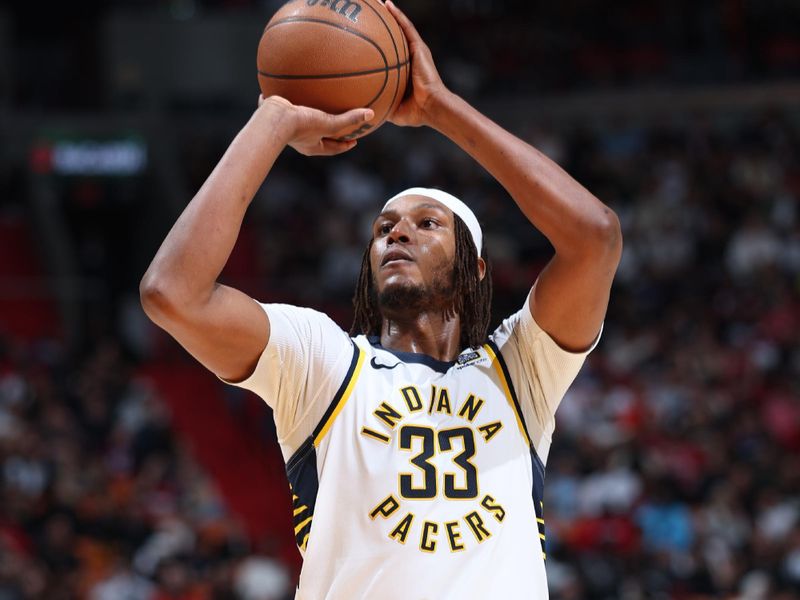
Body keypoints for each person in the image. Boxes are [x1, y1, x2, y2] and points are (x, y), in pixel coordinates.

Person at [139, 2, 622, 598]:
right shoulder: (325, 364)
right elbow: (172, 294)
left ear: (474, 266)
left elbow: (594, 237)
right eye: (384, 226)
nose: (398, 232)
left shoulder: (521, 371)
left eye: (427, 223)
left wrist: (439, 107)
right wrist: (273, 121)